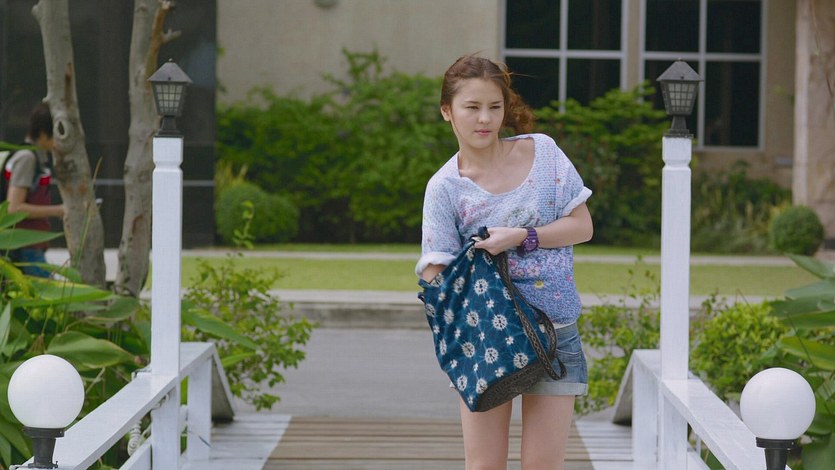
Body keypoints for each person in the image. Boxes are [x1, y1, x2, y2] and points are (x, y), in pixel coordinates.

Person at [416, 55, 593, 469]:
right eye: (472, 107)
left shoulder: (544, 153)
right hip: (486, 339)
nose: (485, 119)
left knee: (542, 466)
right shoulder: (445, 188)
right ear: (447, 111)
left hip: (557, 332)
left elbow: (582, 226)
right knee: (485, 465)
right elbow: (435, 272)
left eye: (494, 107)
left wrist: (521, 237)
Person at [3, 103, 64, 277]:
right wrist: (58, 210)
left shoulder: (38, 158)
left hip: (32, 246)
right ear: (44, 134)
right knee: (48, 291)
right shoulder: (27, 158)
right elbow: (14, 208)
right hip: (24, 248)